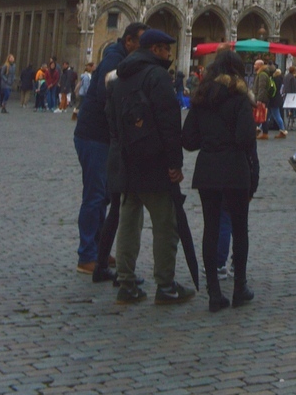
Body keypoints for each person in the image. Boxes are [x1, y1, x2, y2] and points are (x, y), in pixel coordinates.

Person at [106, 28, 195, 306]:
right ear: (156, 50)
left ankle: (127, 283)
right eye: (167, 50)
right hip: (154, 163)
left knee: (128, 223)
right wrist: (174, 163)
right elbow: (169, 124)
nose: (169, 55)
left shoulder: (121, 76)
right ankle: (165, 285)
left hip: (127, 160)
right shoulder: (157, 76)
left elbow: (110, 117)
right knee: (165, 225)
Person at [181, 47, 258, 311]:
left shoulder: (201, 100)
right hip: (235, 170)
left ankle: (214, 292)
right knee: (239, 228)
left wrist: (210, 141)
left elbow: (188, 140)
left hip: (208, 169)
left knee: (211, 228)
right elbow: (245, 138)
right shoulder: (239, 99)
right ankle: (239, 288)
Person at [74, 21, 146, 275]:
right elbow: (109, 98)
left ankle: (98, 247)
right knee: (95, 195)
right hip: (94, 136)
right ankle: (87, 255)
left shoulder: (118, 58)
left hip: (99, 136)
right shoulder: (114, 61)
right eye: (142, 43)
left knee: (103, 194)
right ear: (129, 42)